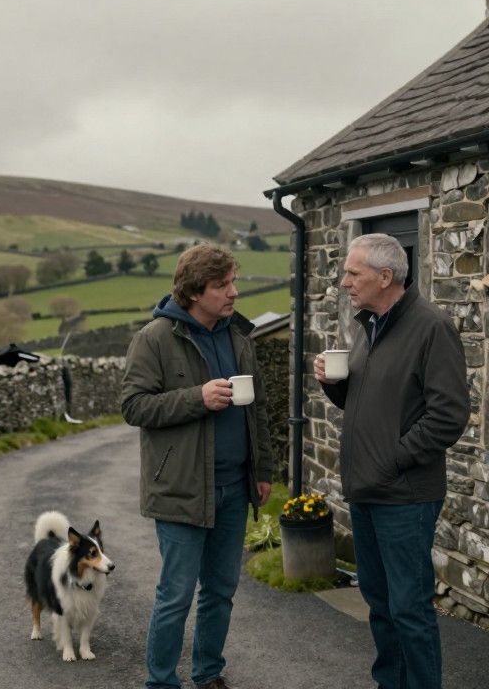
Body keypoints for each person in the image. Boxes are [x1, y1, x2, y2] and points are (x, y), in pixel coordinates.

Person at [312, 233, 468, 689]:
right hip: (367, 490)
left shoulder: (431, 327)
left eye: (352, 273)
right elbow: (374, 406)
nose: (344, 282)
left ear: (385, 277)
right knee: (379, 605)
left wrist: (392, 461)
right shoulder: (368, 327)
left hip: (404, 495)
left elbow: (448, 416)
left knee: (409, 608)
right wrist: (335, 385)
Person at [121, 244, 274, 689]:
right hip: (181, 489)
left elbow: (258, 409)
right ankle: (161, 682)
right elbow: (133, 406)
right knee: (175, 597)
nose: (233, 292)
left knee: (221, 593)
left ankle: (209, 675)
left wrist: (262, 470)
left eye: (232, 282)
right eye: (221, 285)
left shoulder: (238, 336)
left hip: (233, 488)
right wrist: (197, 399)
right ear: (192, 293)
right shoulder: (155, 338)